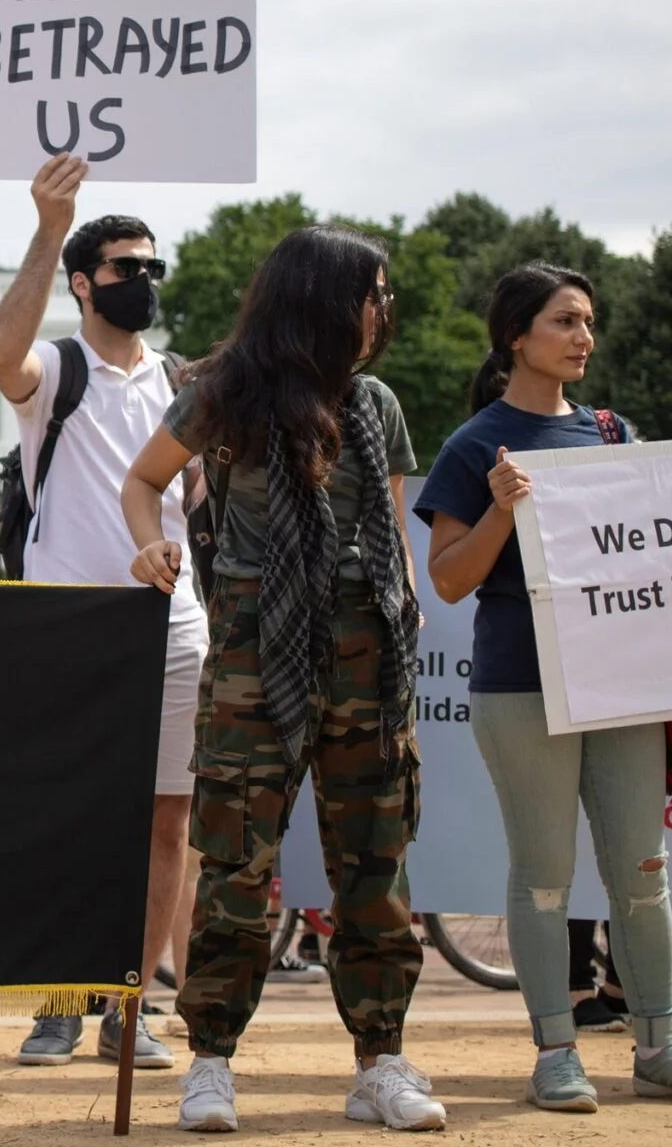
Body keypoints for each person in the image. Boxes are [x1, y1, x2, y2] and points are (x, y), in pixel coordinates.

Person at [122, 224, 444, 1133]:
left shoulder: (375, 403)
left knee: (375, 870)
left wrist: (404, 602)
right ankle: (212, 1062)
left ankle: (380, 1061)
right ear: (323, 298)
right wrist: (153, 542)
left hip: (368, 665)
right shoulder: (228, 393)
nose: (384, 311)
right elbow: (143, 482)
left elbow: (393, 525)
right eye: (374, 293)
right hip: (255, 658)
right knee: (235, 867)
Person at [418, 262, 672, 1112]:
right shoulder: (472, 445)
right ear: (516, 336)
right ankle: (557, 1052)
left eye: (589, 322)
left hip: (623, 685)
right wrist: (500, 511)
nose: (584, 338)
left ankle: (658, 1047)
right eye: (566, 321)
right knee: (544, 876)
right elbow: (448, 581)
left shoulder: (612, 433)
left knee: (643, 868)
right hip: (521, 686)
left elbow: (658, 571)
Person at [0, 154, 204, 1074]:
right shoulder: (58, 369)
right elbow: (3, 356)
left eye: (153, 267)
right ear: (83, 283)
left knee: (166, 823)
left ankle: (129, 1000)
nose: (143, 282)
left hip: (175, 628)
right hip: (69, 627)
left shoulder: (186, 384)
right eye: (125, 268)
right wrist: (47, 228)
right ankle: (56, 1001)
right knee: (68, 819)